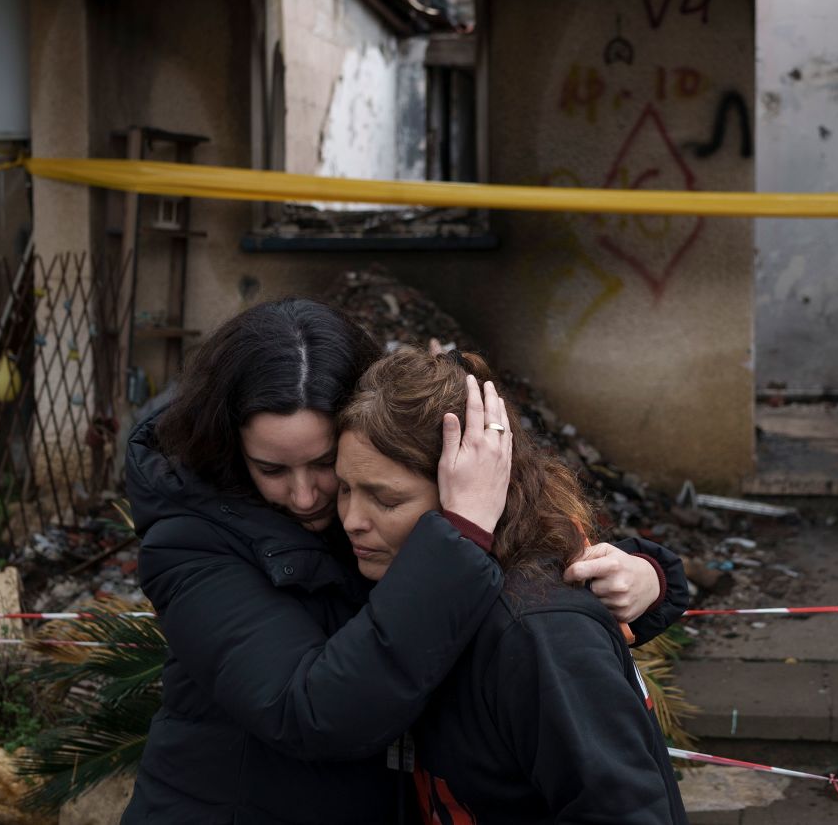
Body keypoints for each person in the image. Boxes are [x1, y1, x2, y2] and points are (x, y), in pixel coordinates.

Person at [122, 299, 685, 825]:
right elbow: (315, 711)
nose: (307, 498)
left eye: (325, 466)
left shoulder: (394, 501)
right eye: (271, 469)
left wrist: (645, 579)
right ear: (228, 446)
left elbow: (530, 582)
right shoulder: (191, 540)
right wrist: (458, 538)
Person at [336, 346, 690, 825]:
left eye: (386, 499)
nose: (352, 520)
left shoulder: (536, 634)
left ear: (472, 490)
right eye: (344, 488)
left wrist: (652, 573)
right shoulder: (395, 580)